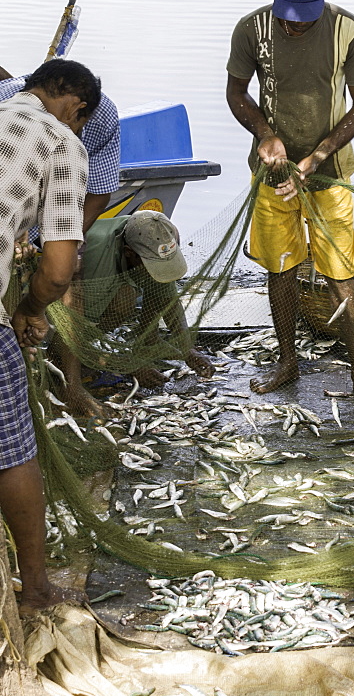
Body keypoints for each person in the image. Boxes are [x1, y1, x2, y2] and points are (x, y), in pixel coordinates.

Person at [226, 0, 354, 407]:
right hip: (273, 171)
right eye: (289, 19)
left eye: (305, 19)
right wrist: (266, 135)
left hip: (329, 172)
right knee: (280, 264)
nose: (295, 27)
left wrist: (319, 155)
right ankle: (287, 361)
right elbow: (236, 93)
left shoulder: (348, 31)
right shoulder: (251, 29)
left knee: (341, 270)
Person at [0, 58, 100, 612]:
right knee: (13, 450)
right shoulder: (64, 142)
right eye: (80, 120)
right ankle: (35, 590)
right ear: (74, 106)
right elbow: (60, 270)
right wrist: (29, 308)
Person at [59, 211, 214, 415]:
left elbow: (168, 300)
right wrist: (128, 366)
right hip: (53, 304)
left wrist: (188, 350)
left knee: (129, 296)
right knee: (117, 302)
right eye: (151, 264)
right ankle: (69, 365)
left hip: (92, 296)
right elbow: (69, 325)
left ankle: (143, 341)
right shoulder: (94, 256)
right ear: (128, 253)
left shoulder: (156, 234)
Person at [0, 67, 120, 232]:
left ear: (76, 110)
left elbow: (99, 193)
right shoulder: (5, 101)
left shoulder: (101, 117)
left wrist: (62, 241)